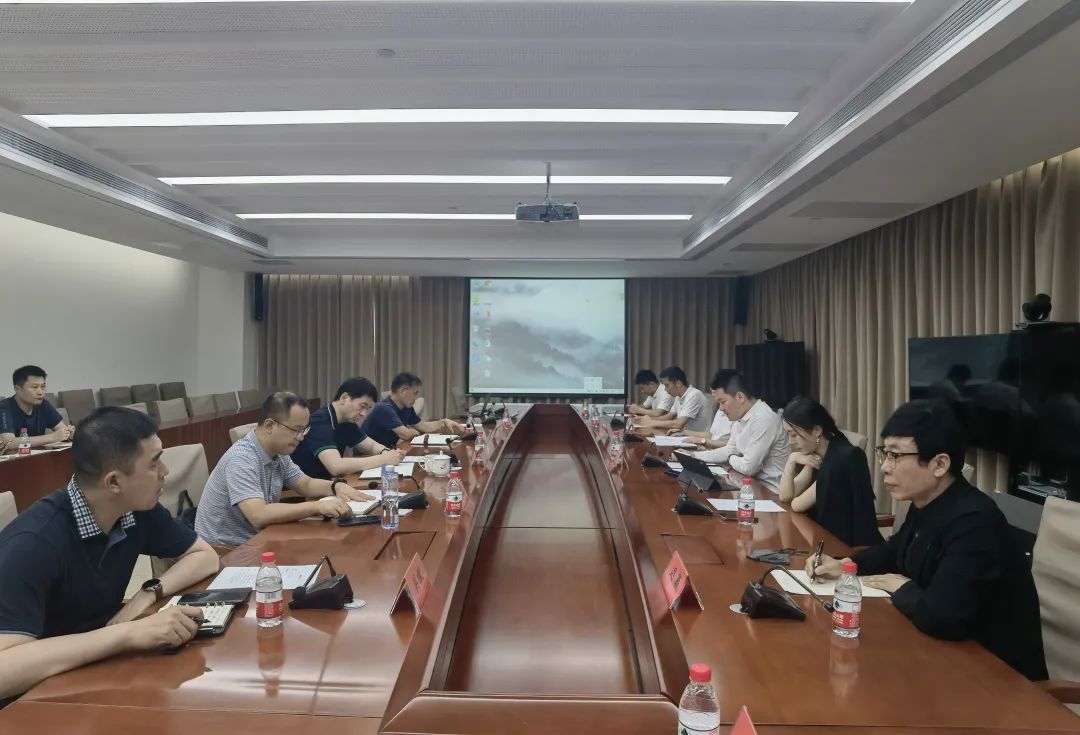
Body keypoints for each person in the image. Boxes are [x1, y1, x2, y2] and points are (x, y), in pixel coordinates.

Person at [807, 400, 1047, 681]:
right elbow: (896, 551)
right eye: (885, 453)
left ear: (940, 464)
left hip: (999, 680)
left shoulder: (975, 522)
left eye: (896, 456)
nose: (884, 467)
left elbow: (941, 616)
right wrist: (845, 564)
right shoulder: (928, 501)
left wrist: (901, 586)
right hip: (944, 658)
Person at [0, 407, 220, 701]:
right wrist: (127, 634)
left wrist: (147, 594)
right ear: (114, 482)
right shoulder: (33, 544)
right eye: (154, 462)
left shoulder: (135, 509)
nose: (166, 471)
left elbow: (204, 556)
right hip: (35, 699)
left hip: (96, 673)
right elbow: (4, 672)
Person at [194, 392, 371, 548]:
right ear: (270, 426)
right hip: (227, 550)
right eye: (296, 430)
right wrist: (317, 506)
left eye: (304, 430)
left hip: (260, 537)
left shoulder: (278, 452)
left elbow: (305, 484)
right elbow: (258, 514)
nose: (301, 437)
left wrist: (335, 486)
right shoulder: (241, 459)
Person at [778, 397, 882, 547]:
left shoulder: (841, 458)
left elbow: (797, 505)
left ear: (817, 430)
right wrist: (791, 460)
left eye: (793, 435)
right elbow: (786, 496)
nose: (790, 441)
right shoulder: (819, 453)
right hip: (823, 536)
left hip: (847, 547)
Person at [291, 377, 406, 480]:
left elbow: (371, 446)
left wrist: (389, 453)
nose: (364, 414)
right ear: (344, 398)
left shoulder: (346, 421)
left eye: (368, 409)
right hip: (303, 490)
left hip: (327, 482)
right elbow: (336, 466)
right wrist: (384, 459)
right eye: (363, 406)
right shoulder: (319, 421)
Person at [694, 369, 789, 492]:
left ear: (740, 397)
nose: (721, 409)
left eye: (723, 402)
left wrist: (730, 458)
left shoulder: (763, 418)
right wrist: (694, 456)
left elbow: (749, 467)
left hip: (768, 491)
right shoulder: (741, 417)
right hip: (745, 483)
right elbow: (730, 449)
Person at [360, 372, 466, 449]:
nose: (416, 398)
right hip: (367, 456)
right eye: (415, 393)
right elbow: (406, 434)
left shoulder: (407, 408)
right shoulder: (383, 408)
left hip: (386, 452)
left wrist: (444, 422)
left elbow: (424, 427)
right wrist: (416, 431)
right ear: (403, 391)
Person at [0, 365, 73, 451]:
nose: (40, 392)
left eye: (43, 387)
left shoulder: (44, 405)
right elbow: (8, 443)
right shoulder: (4, 408)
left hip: (38, 456)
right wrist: (52, 437)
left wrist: (70, 433)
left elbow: (63, 431)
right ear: (17, 389)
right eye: (34, 387)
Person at [635, 366, 711, 433]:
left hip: (697, 439)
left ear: (678, 383)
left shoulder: (694, 395)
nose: (665, 389)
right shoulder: (678, 396)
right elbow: (669, 416)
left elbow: (679, 424)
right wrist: (646, 419)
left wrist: (652, 422)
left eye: (667, 385)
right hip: (684, 435)